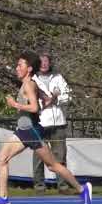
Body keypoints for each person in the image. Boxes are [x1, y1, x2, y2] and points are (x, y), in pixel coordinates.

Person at [0, 51, 92, 204]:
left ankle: (82, 189)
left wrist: (15, 105)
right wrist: (49, 99)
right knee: (2, 158)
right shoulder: (31, 84)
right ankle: (3, 198)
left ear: (29, 69)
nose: (16, 68)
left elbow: (34, 107)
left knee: (53, 165)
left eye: (20, 65)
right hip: (22, 131)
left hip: (31, 131)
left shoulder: (29, 84)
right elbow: (45, 100)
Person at [32, 52, 72, 194]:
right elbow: (31, 99)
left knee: (60, 156)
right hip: (40, 123)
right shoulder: (32, 79)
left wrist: (55, 99)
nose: (44, 64)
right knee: (39, 157)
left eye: (46, 61)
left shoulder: (58, 77)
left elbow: (67, 95)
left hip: (58, 123)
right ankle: (39, 186)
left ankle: (62, 186)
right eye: (41, 61)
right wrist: (43, 103)